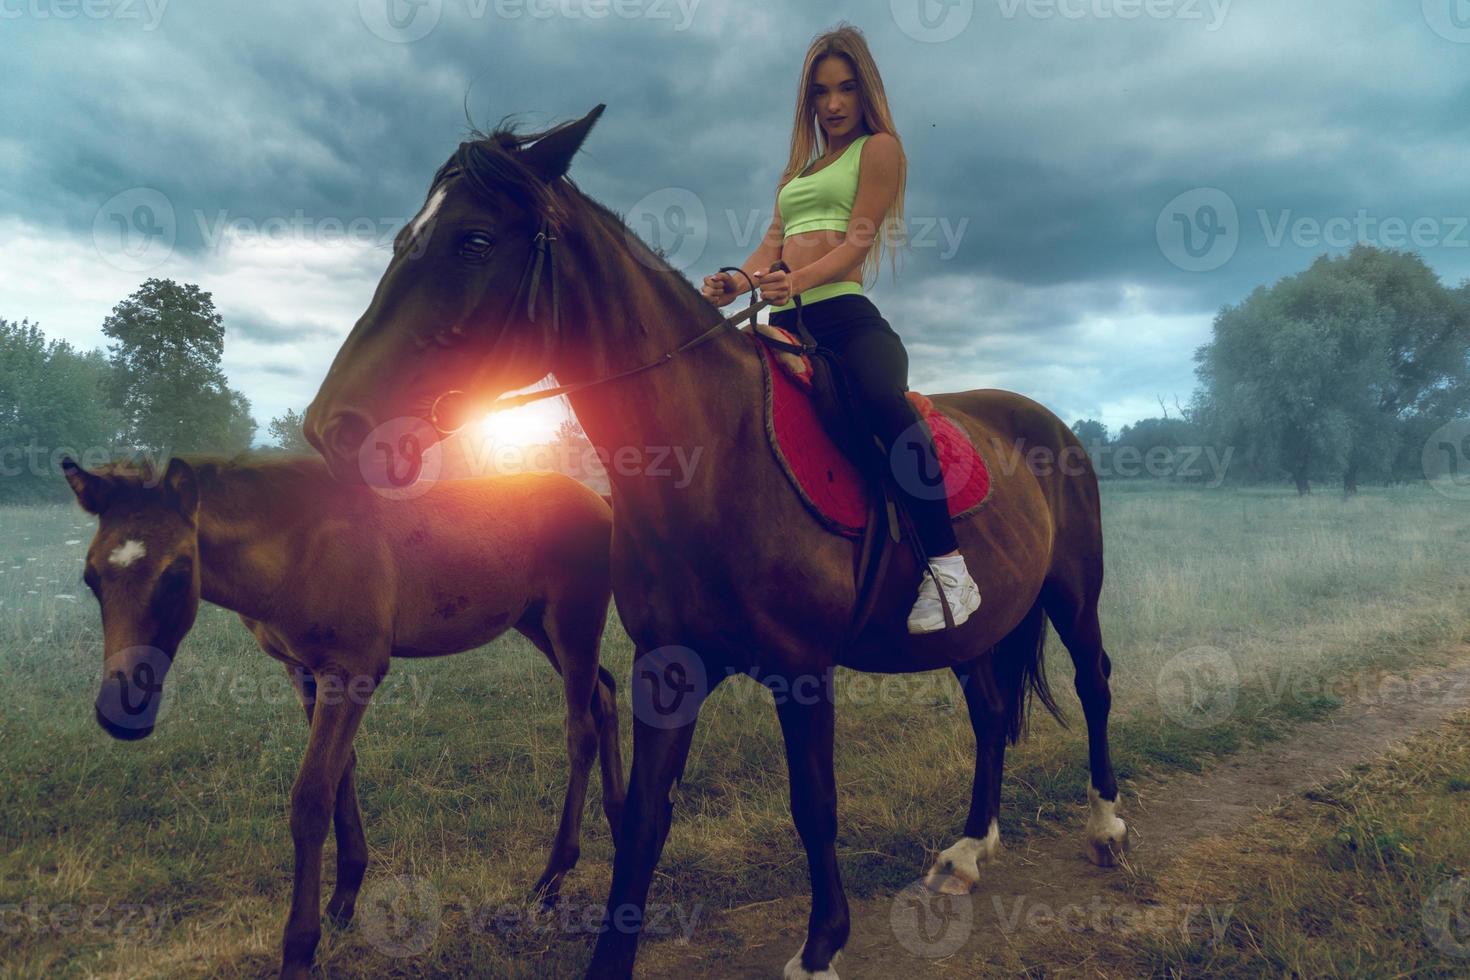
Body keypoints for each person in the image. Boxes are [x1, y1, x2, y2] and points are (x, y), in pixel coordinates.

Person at [700, 23, 981, 634]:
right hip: (785, 323)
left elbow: (857, 244)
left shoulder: (879, 149)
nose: (832, 104)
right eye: (821, 93)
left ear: (864, 92)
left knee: (884, 400)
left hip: (847, 322)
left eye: (845, 89)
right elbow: (770, 247)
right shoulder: (794, 174)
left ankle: (950, 566)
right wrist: (734, 282)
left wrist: (793, 282)